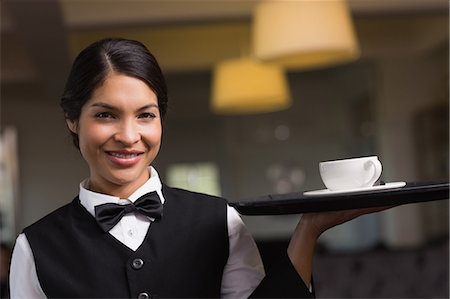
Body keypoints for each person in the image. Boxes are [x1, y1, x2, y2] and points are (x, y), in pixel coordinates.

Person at [9, 38, 388, 298]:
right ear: (72, 120)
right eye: (106, 115)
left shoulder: (220, 220)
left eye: (145, 115)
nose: (128, 135)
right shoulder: (35, 247)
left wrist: (309, 231)